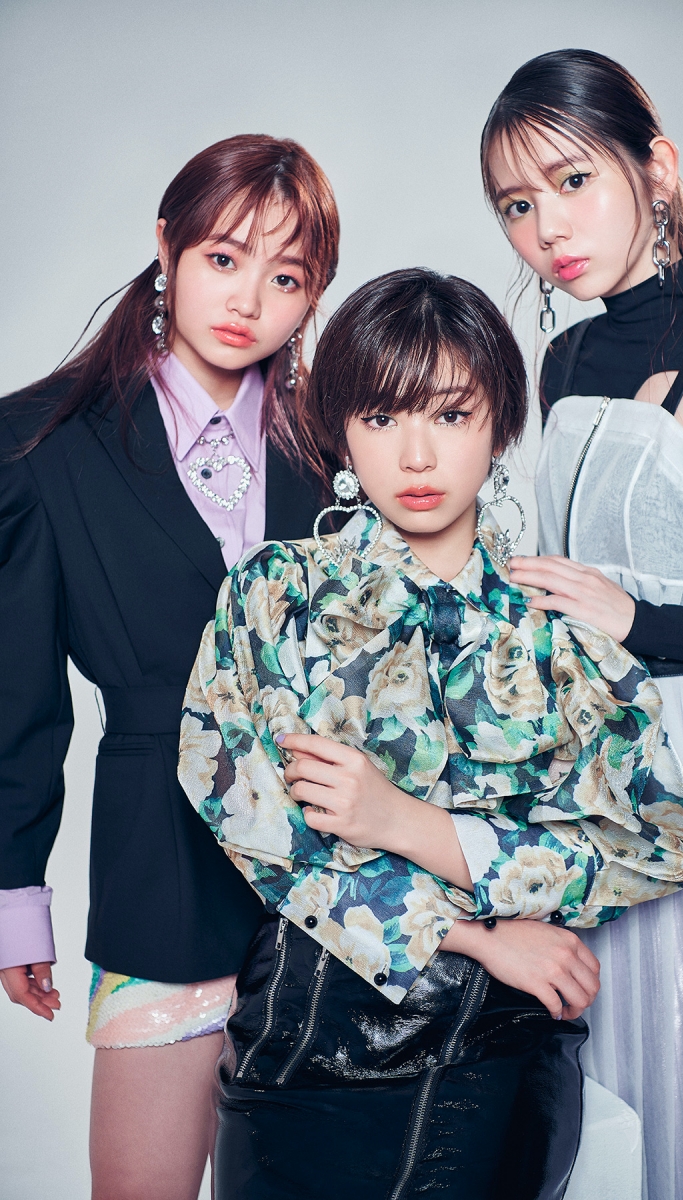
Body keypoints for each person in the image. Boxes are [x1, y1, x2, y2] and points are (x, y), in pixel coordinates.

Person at [178, 267, 683, 1200]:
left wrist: (411, 825)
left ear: (501, 426)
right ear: (342, 430)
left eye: (451, 415)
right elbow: (245, 808)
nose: (417, 456)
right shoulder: (277, 591)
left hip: (495, 1046)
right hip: (304, 1030)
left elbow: (655, 846)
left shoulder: (558, 627)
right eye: (382, 417)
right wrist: (477, 933)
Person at [481, 48, 683, 1200]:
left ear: (654, 169)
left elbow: (632, 608)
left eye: (571, 182)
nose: (545, 229)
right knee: (600, 1084)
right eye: (516, 205)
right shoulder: (562, 359)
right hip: (582, 773)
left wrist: (640, 619)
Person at [0, 133, 339, 1200]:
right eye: (223, 258)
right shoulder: (41, 444)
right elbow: (18, 702)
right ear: (167, 247)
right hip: (160, 863)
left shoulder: (340, 444)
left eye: (286, 277)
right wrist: (15, 898)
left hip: (343, 875)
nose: (247, 300)